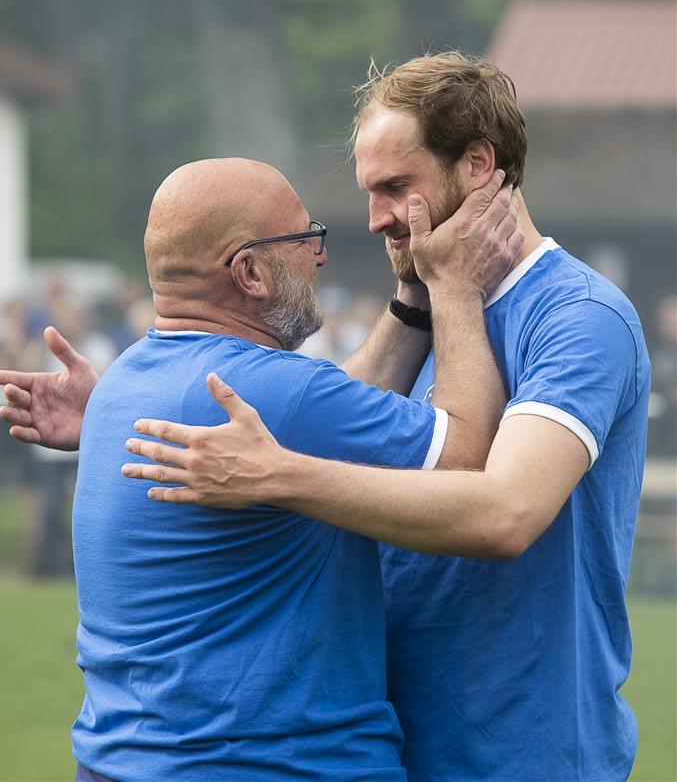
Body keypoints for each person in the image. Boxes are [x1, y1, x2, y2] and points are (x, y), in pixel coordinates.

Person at [118, 54, 651, 782]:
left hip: (521, 750)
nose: (373, 219)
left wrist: (279, 478)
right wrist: (108, 410)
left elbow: (505, 515)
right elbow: (301, 419)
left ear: (477, 164)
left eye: (396, 188)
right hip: (390, 740)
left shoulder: (578, 318)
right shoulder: (426, 303)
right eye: (369, 191)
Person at [0, 156, 520, 781]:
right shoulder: (272, 391)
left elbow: (328, 416)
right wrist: (456, 285)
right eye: (304, 239)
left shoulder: (129, 380)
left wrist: (411, 296)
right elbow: (464, 454)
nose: (318, 257)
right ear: (250, 272)